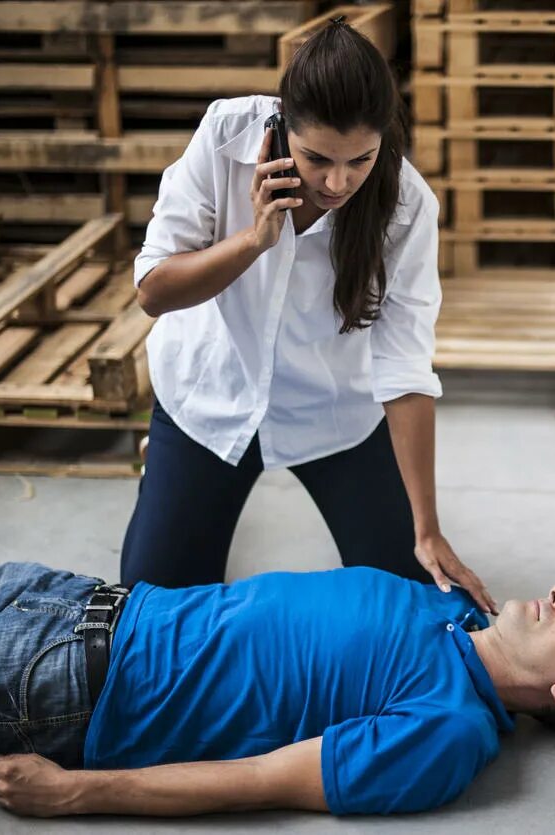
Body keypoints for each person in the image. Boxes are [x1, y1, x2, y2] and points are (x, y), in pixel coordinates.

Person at [122, 18, 495, 613]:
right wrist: (253, 240)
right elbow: (154, 293)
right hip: (207, 401)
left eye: (360, 159)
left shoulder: (407, 204)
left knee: (420, 605)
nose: (338, 181)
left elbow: (404, 366)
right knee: (149, 612)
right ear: (282, 122)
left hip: (335, 411)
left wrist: (427, 527)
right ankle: (168, 472)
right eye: (317, 157)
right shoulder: (225, 135)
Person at [0, 561, 555, 818]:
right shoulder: (455, 605)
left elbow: (261, 780)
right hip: (68, 594)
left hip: (59, 688)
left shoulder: (449, 732)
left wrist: (78, 792)